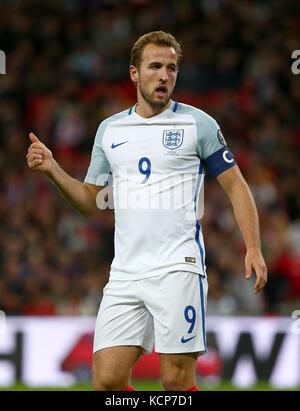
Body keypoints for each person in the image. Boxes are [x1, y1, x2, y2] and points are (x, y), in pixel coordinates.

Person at [26, 31, 268, 391]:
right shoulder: (110, 130)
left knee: (175, 379)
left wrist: (253, 246)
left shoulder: (197, 124)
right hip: (125, 273)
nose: (164, 75)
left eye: (172, 68)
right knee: (106, 381)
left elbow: (236, 186)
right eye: (155, 66)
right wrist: (54, 171)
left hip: (178, 268)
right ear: (134, 74)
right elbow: (92, 203)